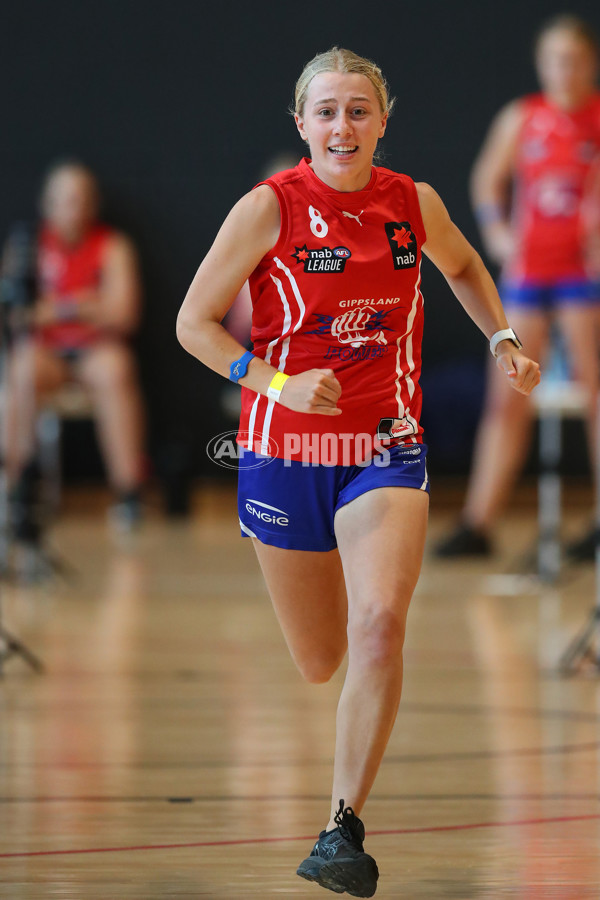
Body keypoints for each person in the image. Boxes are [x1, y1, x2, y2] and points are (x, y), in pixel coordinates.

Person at [177, 48, 540, 897]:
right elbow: (194, 324)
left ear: (383, 119)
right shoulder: (267, 210)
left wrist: (503, 340)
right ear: (302, 124)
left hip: (384, 445)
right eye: (327, 111)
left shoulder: (414, 204)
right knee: (320, 659)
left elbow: (463, 266)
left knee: (380, 626)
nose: (343, 126)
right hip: (284, 450)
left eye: (359, 110)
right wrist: (274, 381)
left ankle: (342, 828)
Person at [437, 15, 600, 560]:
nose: (564, 70)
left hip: (583, 276)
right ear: (540, 63)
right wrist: (498, 233)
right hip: (530, 273)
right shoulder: (523, 118)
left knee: (594, 393)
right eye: (554, 59)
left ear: (589, 63)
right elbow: (487, 178)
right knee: (507, 393)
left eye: (574, 59)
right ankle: (478, 521)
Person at [2, 160, 146, 542]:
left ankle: (128, 492)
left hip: (94, 352)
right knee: (19, 369)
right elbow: (16, 315)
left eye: (81, 199)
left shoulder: (113, 247)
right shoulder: (25, 246)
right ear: (47, 204)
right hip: (46, 353)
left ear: (93, 204)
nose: (73, 208)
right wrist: (80, 305)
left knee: (116, 368)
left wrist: (54, 309)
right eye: (65, 199)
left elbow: (123, 313)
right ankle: (15, 486)